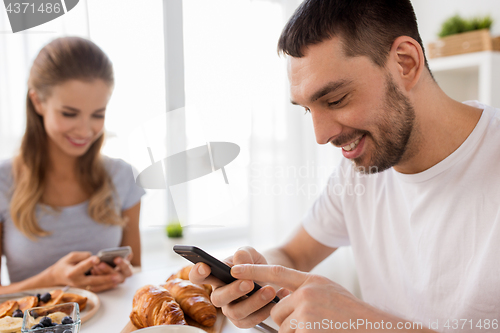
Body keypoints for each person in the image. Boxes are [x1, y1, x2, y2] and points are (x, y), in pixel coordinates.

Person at [191, 0, 500, 332]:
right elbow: (292, 255)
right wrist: (255, 277)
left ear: (406, 63)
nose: (321, 136)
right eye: (308, 110)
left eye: (335, 100)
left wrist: (367, 323)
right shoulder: (359, 173)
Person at [0, 37, 145, 294]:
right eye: (69, 113)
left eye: (98, 114)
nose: (85, 130)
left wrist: (124, 272)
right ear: (38, 102)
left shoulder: (123, 177)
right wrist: (53, 278)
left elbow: (135, 269)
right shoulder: (4, 181)